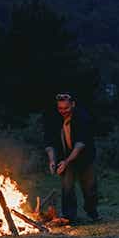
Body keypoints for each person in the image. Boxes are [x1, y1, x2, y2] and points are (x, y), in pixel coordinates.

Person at [44, 92, 101, 222]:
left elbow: (80, 145)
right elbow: (50, 143)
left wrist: (67, 161)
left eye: (66, 108)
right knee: (67, 186)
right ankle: (69, 217)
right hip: (64, 158)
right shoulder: (54, 119)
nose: (63, 111)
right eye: (60, 108)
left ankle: (92, 213)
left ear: (73, 105)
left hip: (84, 158)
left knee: (89, 188)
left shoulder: (82, 118)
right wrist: (52, 160)